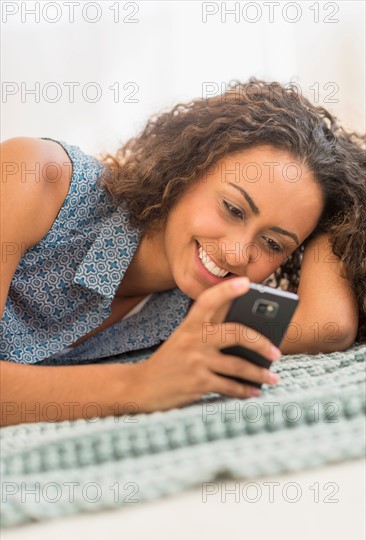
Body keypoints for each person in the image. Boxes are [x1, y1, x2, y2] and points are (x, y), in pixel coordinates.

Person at [1, 78, 365, 426]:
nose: (237, 254)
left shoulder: (197, 308)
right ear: (188, 167)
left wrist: (345, 208)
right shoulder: (33, 175)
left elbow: (330, 327)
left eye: (273, 243)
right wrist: (139, 385)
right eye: (233, 209)